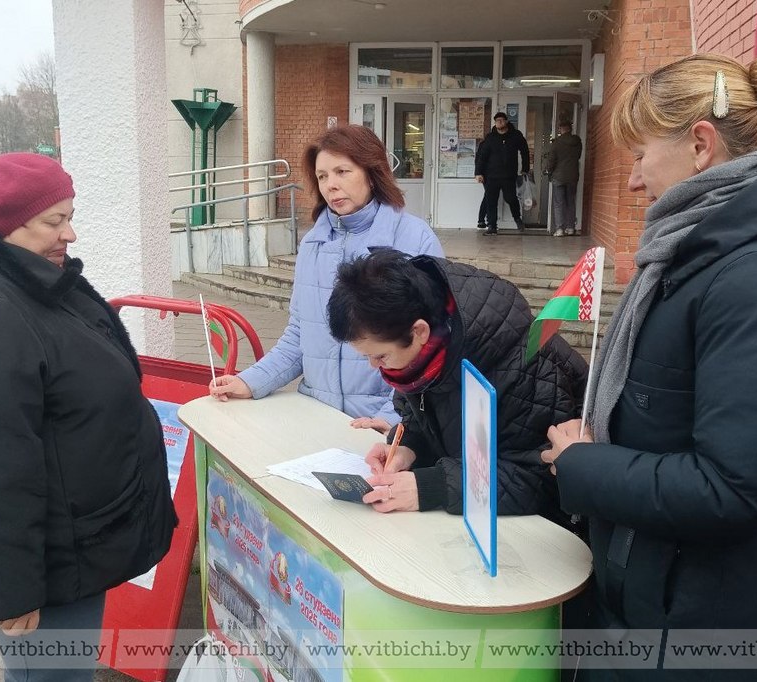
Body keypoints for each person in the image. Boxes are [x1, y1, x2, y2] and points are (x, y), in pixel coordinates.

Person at [541, 55, 757, 679]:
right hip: (653, 607)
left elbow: (733, 487)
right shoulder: (699, 259)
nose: (634, 181)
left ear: (699, 145)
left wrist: (586, 465)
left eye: (640, 156)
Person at [0, 153, 178, 682]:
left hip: (70, 543)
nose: (69, 234)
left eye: (70, 216)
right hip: (43, 563)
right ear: (7, 224)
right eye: (55, 221)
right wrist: (11, 591)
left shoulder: (28, 280)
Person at [208, 125, 443, 435]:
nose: (331, 185)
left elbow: (434, 341)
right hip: (315, 417)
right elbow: (299, 335)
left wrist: (392, 418)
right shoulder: (313, 243)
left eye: (342, 171)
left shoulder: (415, 238)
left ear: (372, 172)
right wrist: (250, 381)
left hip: (382, 425)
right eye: (322, 176)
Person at [327, 248, 588, 521]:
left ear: (419, 332)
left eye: (380, 356)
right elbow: (422, 420)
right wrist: (408, 447)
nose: (374, 366)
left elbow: (539, 479)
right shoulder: (419, 357)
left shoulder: (525, 364)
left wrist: (433, 486)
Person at [475, 112, 530, 235]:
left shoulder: (516, 135)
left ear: (506, 121)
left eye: (501, 120)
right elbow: (482, 156)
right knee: (491, 201)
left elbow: (525, 151)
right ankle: (492, 226)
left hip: (508, 175)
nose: (499, 122)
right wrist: (478, 172)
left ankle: (517, 219)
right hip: (491, 176)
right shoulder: (490, 138)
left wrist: (525, 168)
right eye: (497, 120)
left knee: (511, 198)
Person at [544, 120, 583, 236]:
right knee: (570, 201)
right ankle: (570, 227)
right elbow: (578, 156)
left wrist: (548, 171)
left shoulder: (556, 143)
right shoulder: (577, 141)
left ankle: (560, 229)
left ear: (561, 129)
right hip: (572, 175)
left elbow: (551, 161)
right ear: (570, 129)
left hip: (558, 176)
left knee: (558, 203)